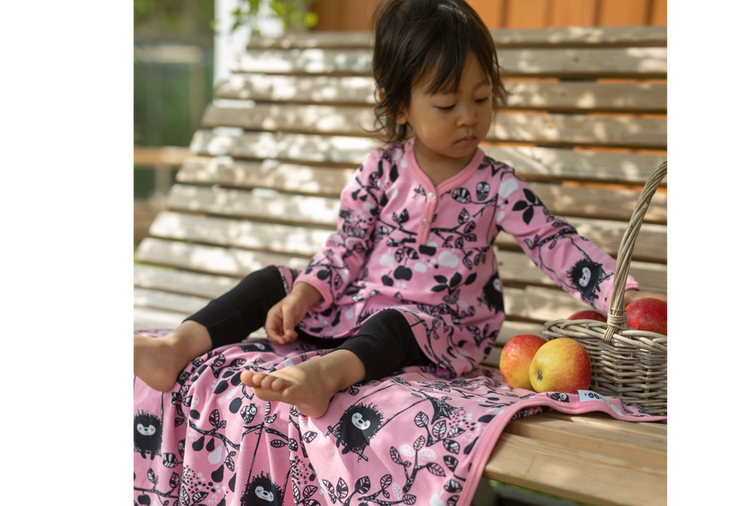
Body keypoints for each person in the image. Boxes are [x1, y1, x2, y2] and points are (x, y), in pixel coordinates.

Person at [131, 0, 668, 418]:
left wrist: (621, 299)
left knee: (396, 319)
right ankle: (178, 345)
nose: (468, 118)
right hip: (357, 307)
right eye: (447, 104)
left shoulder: (497, 186)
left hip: (441, 325)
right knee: (271, 278)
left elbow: (554, 242)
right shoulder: (381, 170)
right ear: (399, 106)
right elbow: (345, 247)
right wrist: (302, 294)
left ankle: (326, 376)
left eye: (482, 99)